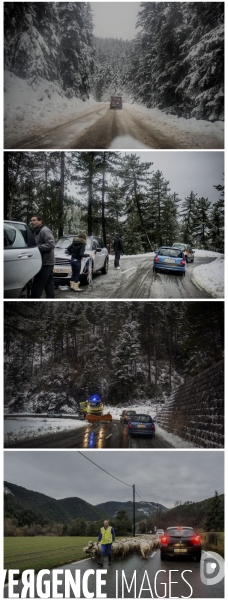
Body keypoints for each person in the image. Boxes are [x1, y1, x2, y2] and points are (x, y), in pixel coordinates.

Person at [30, 215, 55, 298]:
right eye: (31, 220)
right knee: (49, 285)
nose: (32, 222)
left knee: (37, 284)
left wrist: (37, 248)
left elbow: (51, 244)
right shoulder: (38, 231)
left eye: (34, 220)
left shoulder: (44, 231)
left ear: (40, 221)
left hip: (45, 262)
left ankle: (33, 302)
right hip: (46, 262)